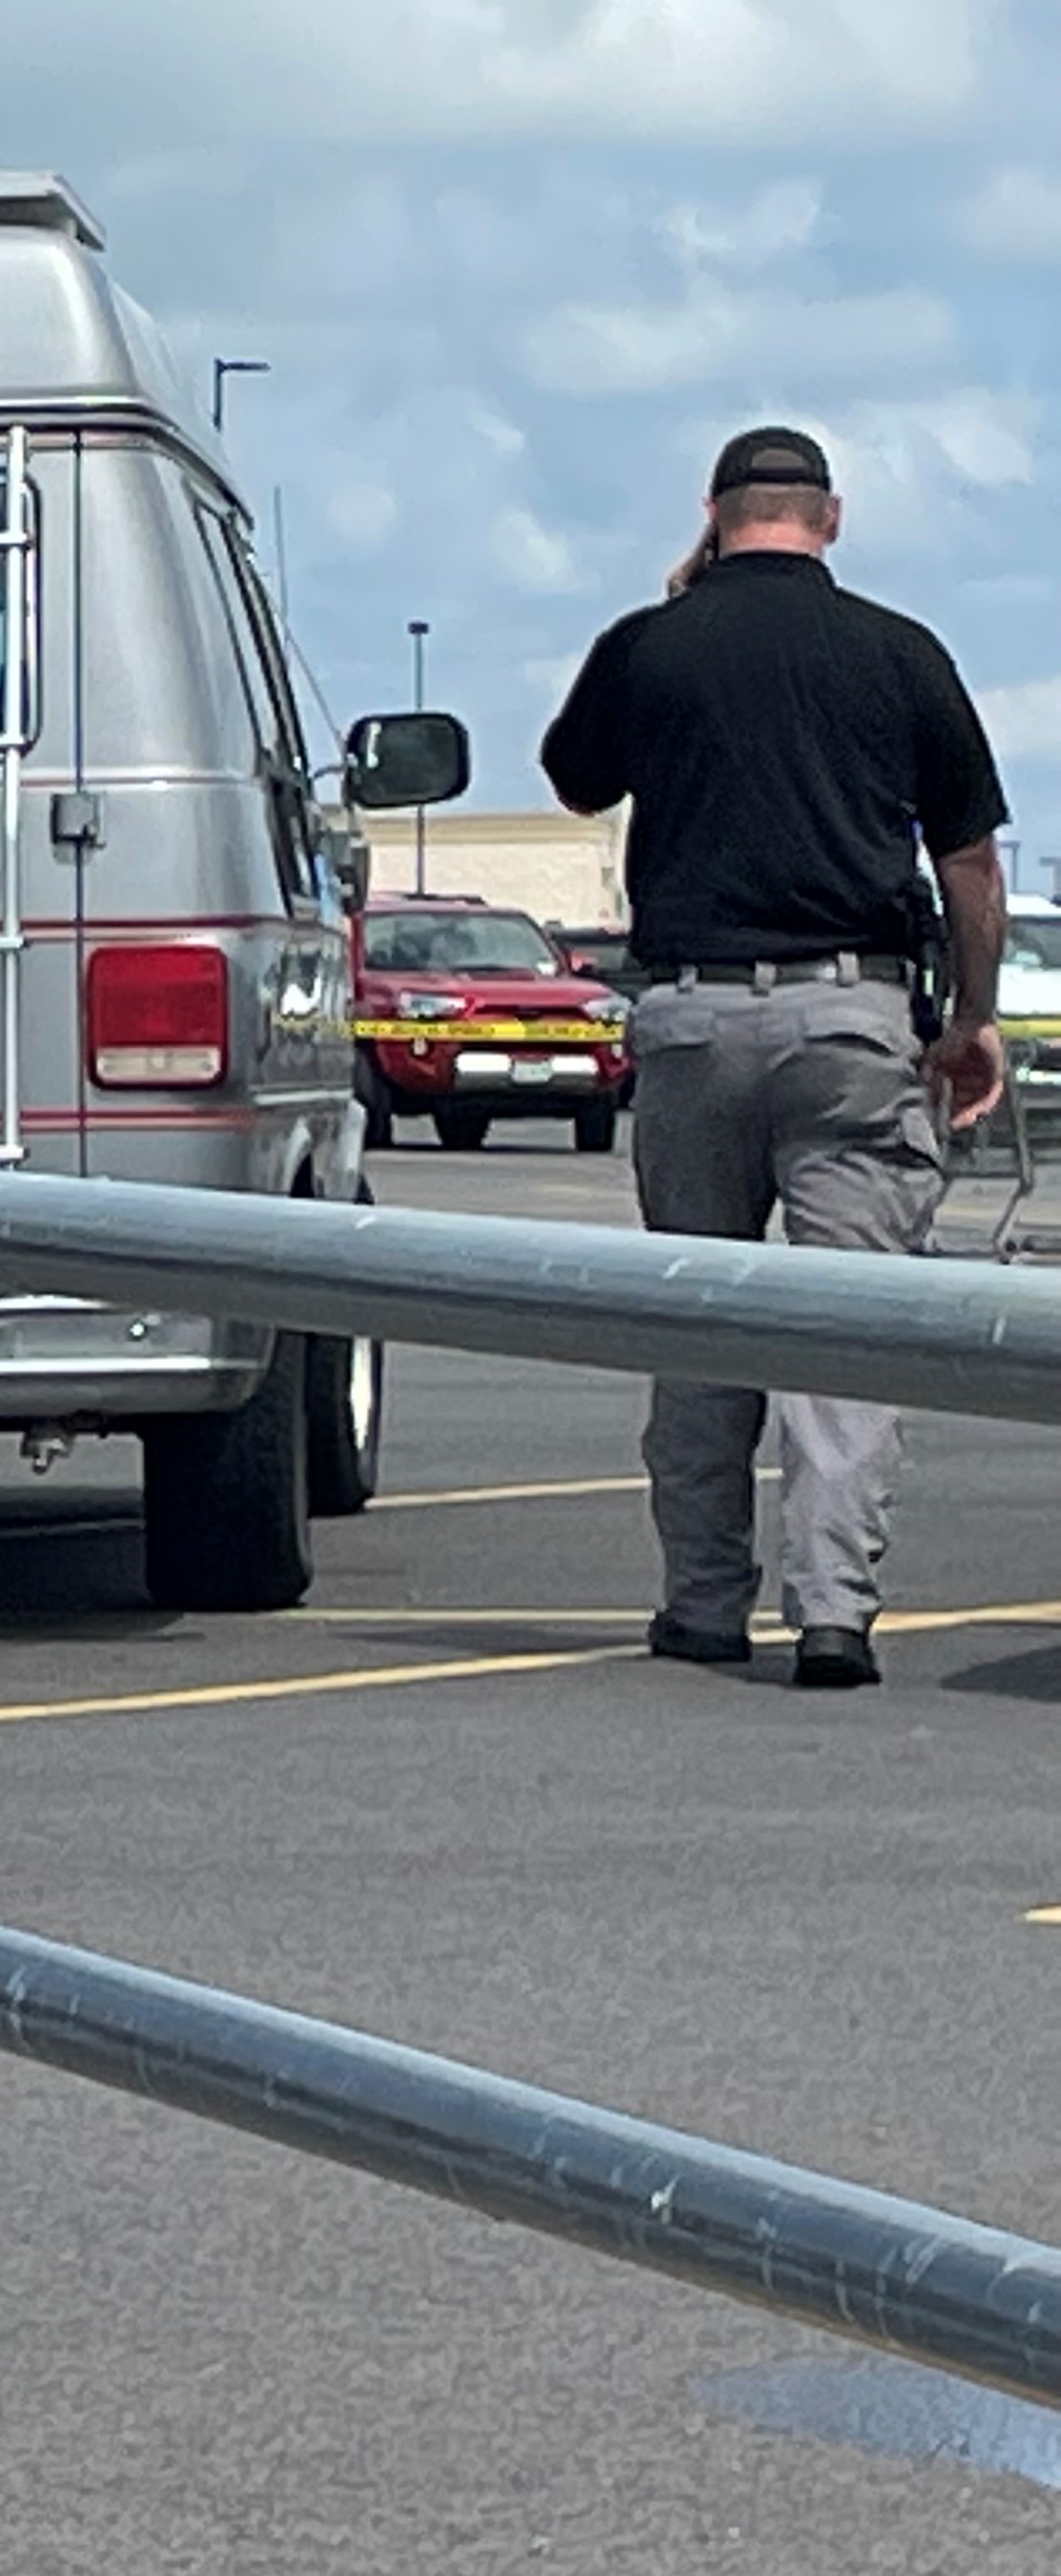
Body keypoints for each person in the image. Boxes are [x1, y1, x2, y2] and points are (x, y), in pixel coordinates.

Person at [540, 425, 1009, 1692]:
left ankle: (700, 1605)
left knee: (695, 1316)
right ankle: (832, 1614)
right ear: (833, 519)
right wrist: (970, 1019)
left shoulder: (650, 647)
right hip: (851, 1020)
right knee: (846, 1327)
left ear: (715, 516)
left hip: (690, 1021)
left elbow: (576, 783)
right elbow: (967, 861)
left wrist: (676, 603)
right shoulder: (900, 653)